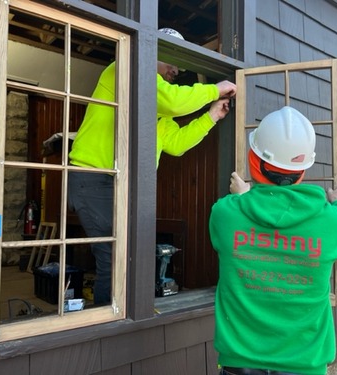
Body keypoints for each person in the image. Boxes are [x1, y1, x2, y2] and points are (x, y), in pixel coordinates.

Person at [68, 27, 236, 305]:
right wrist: (214, 89)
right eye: (171, 60)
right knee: (114, 254)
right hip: (94, 176)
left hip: (123, 182)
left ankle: (129, 315)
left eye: (179, 64)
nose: (177, 69)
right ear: (152, 51)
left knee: (132, 254)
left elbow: (176, 143)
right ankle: (106, 323)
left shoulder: (157, 108)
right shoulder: (124, 67)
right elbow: (171, 100)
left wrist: (211, 117)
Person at [209, 106, 337, 375]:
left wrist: (243, 197)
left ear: (253, 159)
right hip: (304, 365)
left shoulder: (225, 214)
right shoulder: (331, 222)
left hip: (239, 364)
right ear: (301, 171)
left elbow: (243, 216)